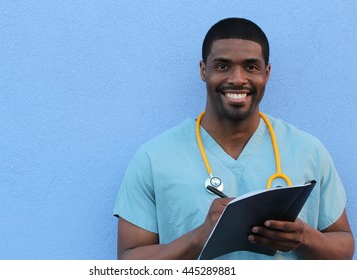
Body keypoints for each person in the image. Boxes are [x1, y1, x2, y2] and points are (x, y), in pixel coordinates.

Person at [113, 18, 355, 259]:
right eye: (222, 66)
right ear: (203, 70)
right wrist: (200, 236)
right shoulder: (154, 158)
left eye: (251, 67)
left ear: (267, 73)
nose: (238, 78)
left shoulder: (308, 151)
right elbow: (129, 262)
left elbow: (344, 248)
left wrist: (303, 237)